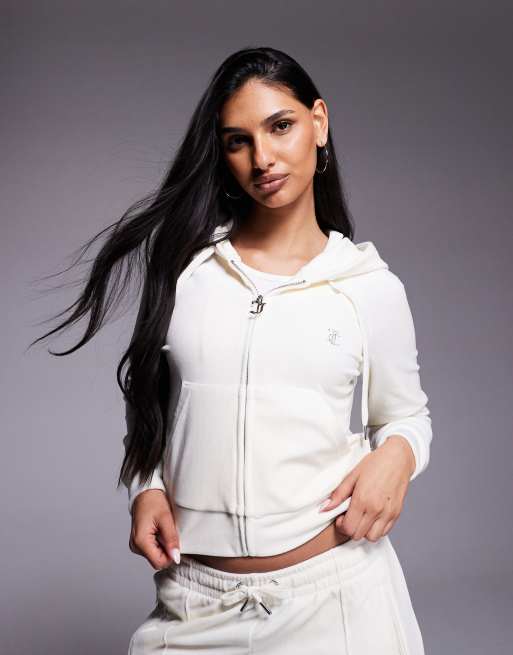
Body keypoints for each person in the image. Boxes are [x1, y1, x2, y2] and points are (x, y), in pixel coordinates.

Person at [33, 47, 432, 654]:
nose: (262, 158)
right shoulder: (186, 271)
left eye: (281, 126)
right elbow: (152, 400)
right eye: (238, 141)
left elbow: (406, 415)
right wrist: (145, 485)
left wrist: (398, 455)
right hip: (196, 605)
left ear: (318, 123)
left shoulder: (367, 286)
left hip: (337, 605)